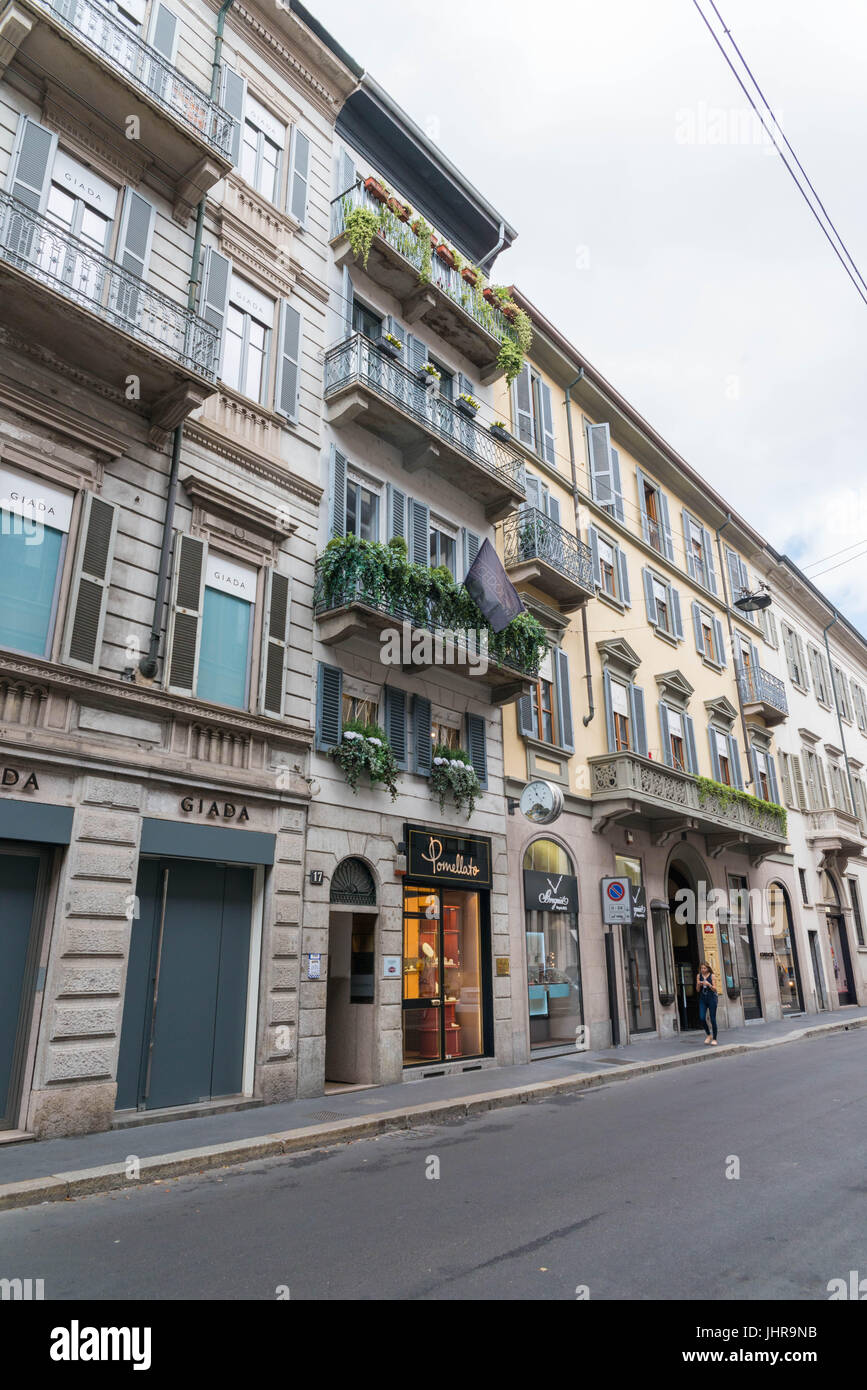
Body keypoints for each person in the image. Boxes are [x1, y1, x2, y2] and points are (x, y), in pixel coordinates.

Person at [697, 961, 719, 1045]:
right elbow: (698, 990)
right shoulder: (699, 976)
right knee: (702, 1018)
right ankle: (709, 1035)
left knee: (712, 1019)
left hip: (712, 999)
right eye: (701, 968)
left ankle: (714, 1039)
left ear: (708, 968)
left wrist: (709, 984)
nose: (703, 970)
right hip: (703, 999)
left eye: (704, 968)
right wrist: (699, 984)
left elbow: (715, 989)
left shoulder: (712, 976)